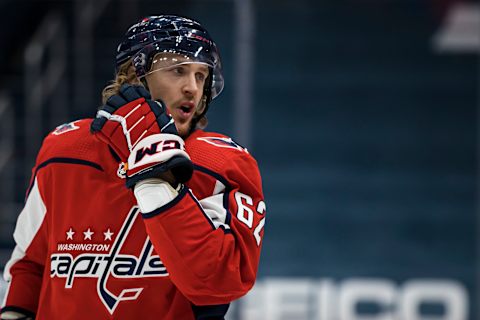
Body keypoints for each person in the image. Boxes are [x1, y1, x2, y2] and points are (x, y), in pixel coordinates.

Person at [1, 15, 266, 320]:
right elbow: (30, 265)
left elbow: (220, 281)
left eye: (201, 76)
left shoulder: (222, 164)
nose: (193, 88)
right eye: (178, 71)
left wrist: (157, 174)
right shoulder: (64, 150)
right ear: (133, 75)